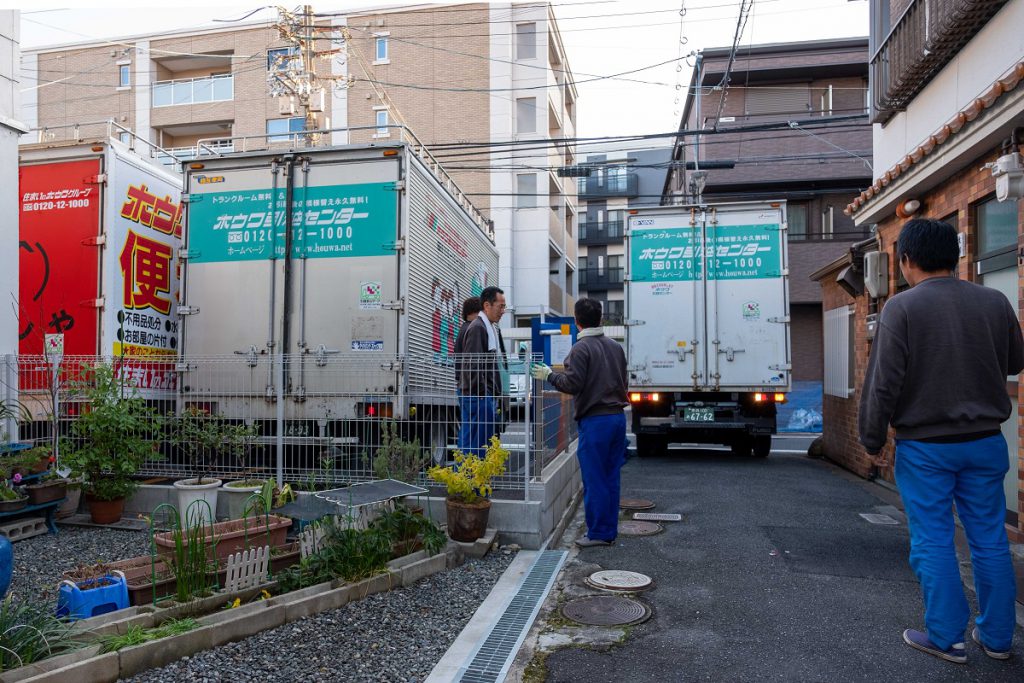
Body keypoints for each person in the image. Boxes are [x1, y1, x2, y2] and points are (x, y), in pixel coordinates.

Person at [859, 218, 1024, 664]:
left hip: (927, 446)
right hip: (987, 441)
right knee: (990, 538)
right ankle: (997, 638)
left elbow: (883, 384)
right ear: (955, 259)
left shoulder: (902, 308)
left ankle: (946, 636)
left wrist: (872, 437)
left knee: (933, 538)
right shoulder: (995, 301)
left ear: (906, 260)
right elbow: (1016, 359)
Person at [531, 298, 628, 548]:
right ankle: (608, 530)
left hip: (596, 421)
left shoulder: (581, 348)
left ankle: (597, 534)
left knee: (594, 478)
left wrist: (549, 375)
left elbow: (572, 384)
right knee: (610, 477)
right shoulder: (616, 348)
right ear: (601, 319)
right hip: (617, 418)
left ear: (576, 321)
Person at [456, 286, 507, 455]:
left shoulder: (486, 326)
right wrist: (484, 394)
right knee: (476, 447)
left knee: (473, 444)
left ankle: (467, 479)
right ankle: (469, 480)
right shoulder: (479, 327)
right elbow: (473, 365)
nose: (503, 311)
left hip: (477, 395)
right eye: (500, 306)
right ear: (487, 305)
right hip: (477, 396)